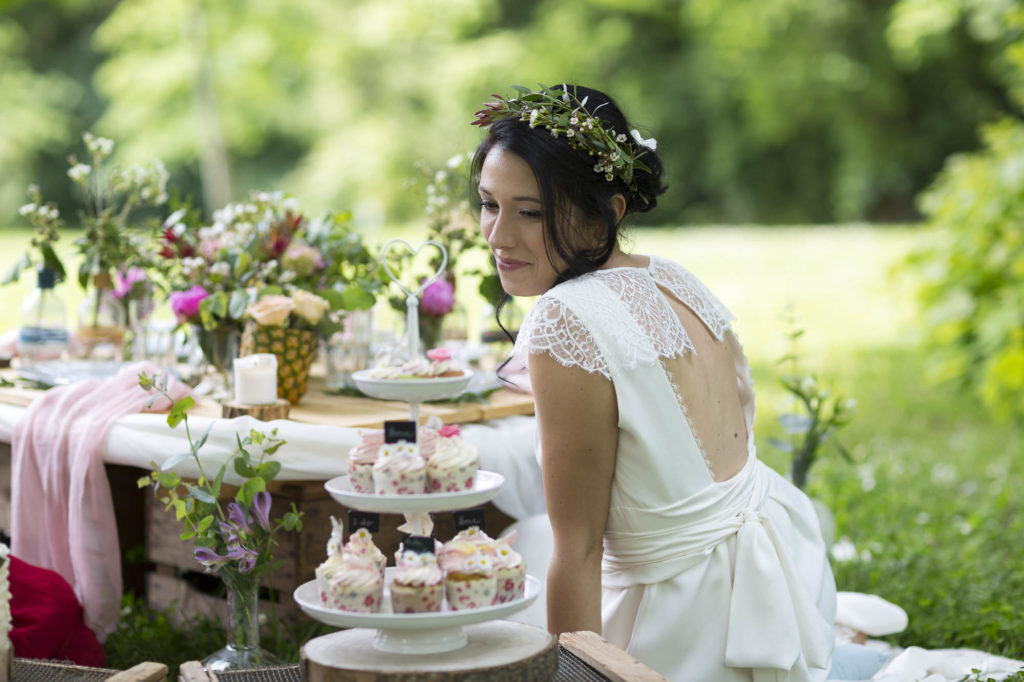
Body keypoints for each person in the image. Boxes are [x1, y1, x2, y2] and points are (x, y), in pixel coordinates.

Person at [470, 84, 838, 681]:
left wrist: (575, 676)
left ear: (607, 212)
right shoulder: (674, 278)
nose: (498, 236)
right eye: (490, 204)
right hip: (780, 576)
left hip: (686, 631)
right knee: (522, 545)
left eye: (530, 212)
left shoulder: (565, 319)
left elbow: (581, 549)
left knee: (494, 600)